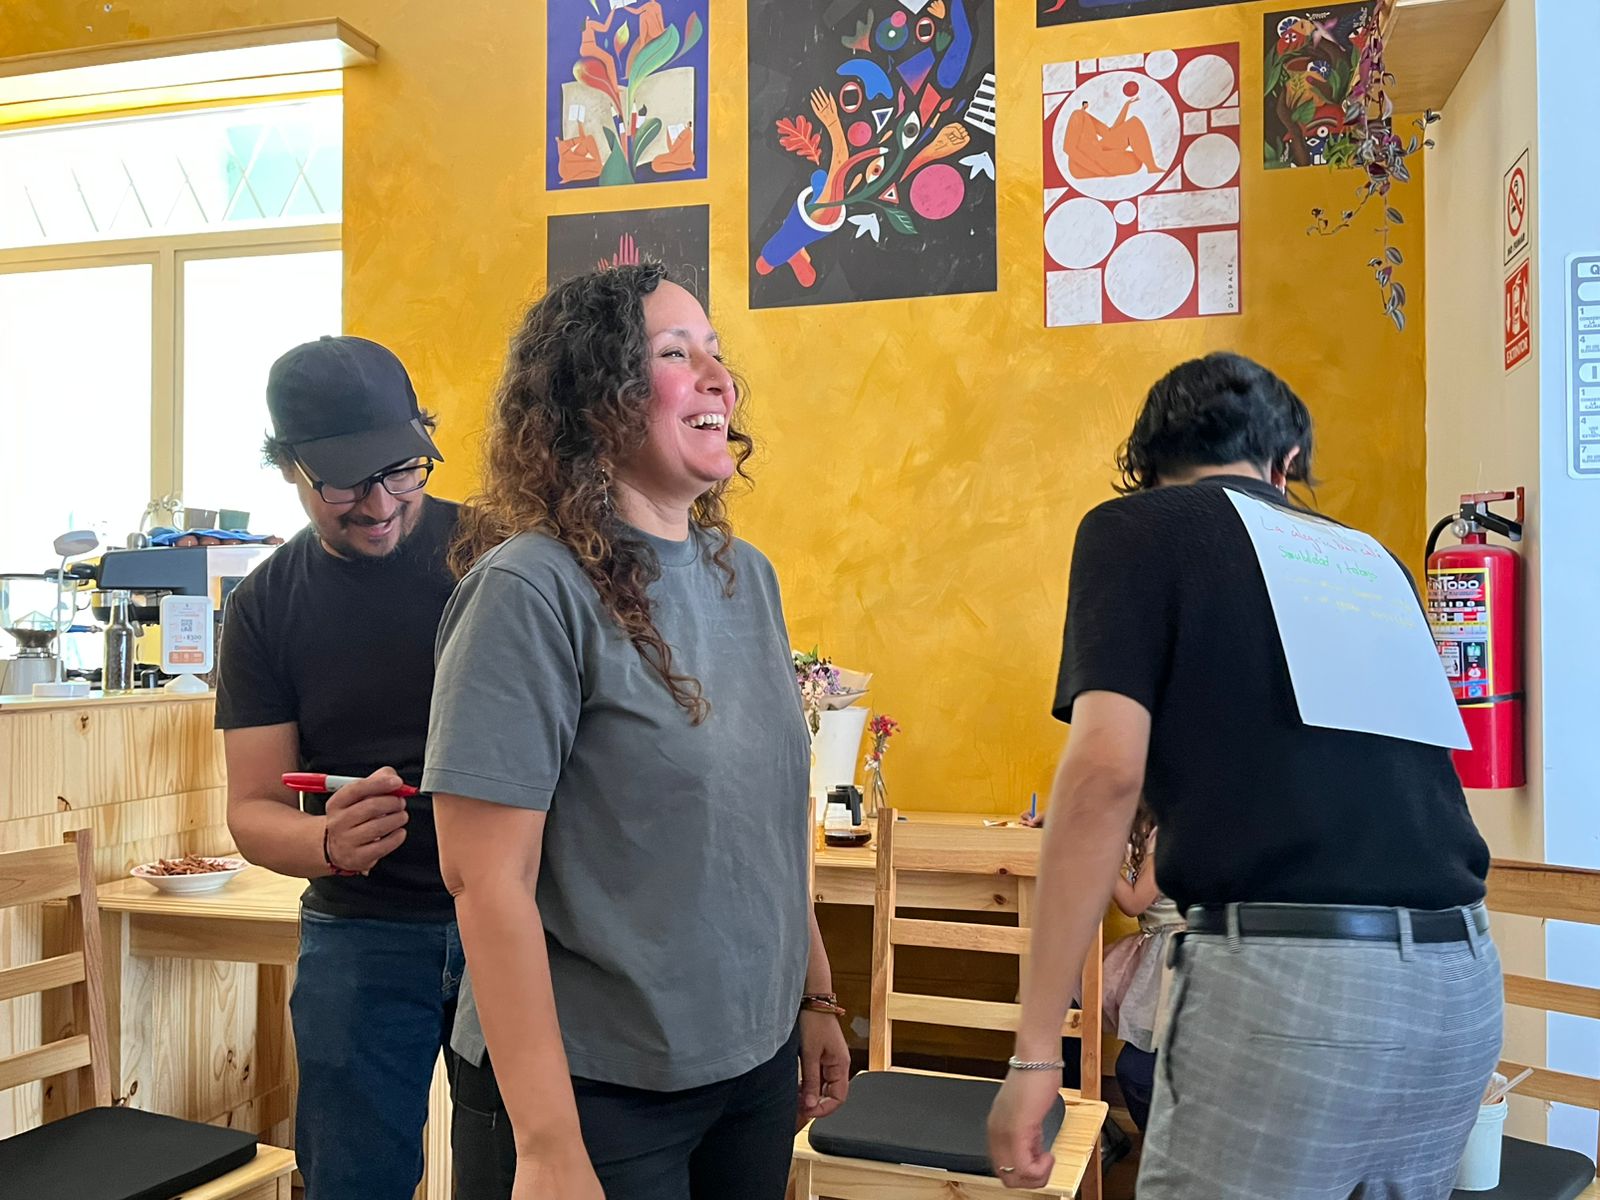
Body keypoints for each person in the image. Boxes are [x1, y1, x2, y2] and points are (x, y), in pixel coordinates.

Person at [989, 352, 1500, 1199]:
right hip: (1461, 981)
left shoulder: (1136, 528)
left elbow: (1104, 774)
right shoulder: (1374, 561)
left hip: (1293, 990)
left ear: (1148, 463)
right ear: (1286, 462)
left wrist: (1038, 1051)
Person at [423, 264, 852, 1200]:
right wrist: (546, 1145)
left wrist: (813, 994)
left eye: (716, 354)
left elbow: (763, 826)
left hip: (749, 1068)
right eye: (674, 353)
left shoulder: (747, 577)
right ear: (595, 397)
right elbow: (486, 882)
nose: (718, 379)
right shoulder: (527, 592)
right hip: (591, 1091)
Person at [217, 335, 476, 1200]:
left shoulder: (499, 554)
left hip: (518, 914)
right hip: (362, 932)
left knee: (527, 1171)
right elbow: (254, 806)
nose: (379, 504)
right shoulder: (263, 607)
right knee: (353, 1183)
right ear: (287, 467)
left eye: (401, 471)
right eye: (343, 484)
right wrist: (325, 842)